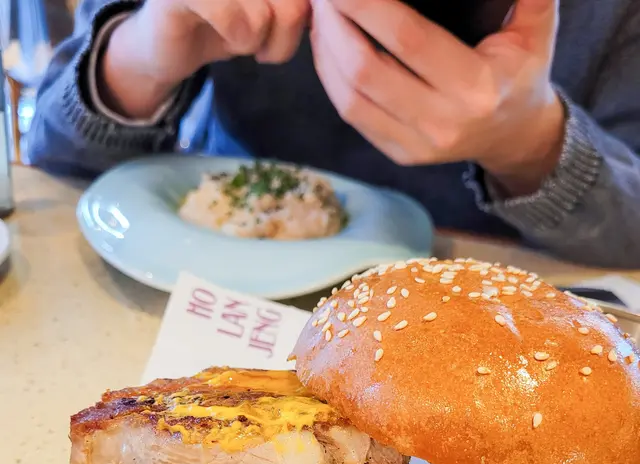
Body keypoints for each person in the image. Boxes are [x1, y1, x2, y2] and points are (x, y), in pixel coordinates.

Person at [28, 0, 640, 267]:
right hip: (197, 274)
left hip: (494, 320)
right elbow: (51, 156)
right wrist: (140, 57)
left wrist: (531, 146)